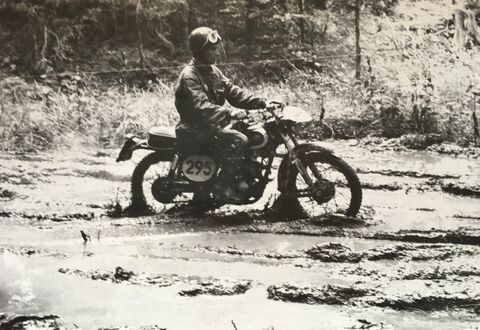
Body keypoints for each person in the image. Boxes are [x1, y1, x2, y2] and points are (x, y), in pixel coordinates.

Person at [174, 27, 268, 203]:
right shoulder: (190, 76)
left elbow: (232, 92)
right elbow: (201, 108)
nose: (216, 52)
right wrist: (231, 112)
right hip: (195, 129)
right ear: (200, 51)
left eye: (216, 48)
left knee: (248, 130)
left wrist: (262, 102)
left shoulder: (211, 71)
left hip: (211, 126)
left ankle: (240, 177)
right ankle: (223, 187)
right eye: (211, 48)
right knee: (238, 140)